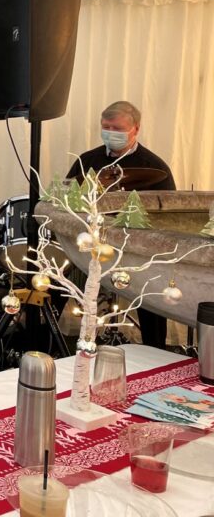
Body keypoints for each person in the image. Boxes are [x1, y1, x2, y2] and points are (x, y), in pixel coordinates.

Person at [67, 100, 175, 347]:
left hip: (136, 250)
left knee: (153, 287)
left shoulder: (155, 167)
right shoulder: (87, 160)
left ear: (135, 129)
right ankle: (53, 344)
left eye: (117, 128)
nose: (110, 133)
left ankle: (155, 350)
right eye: (105, 127)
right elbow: (69, 199)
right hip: (92, 247)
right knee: (58, 274)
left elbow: (166, 215)